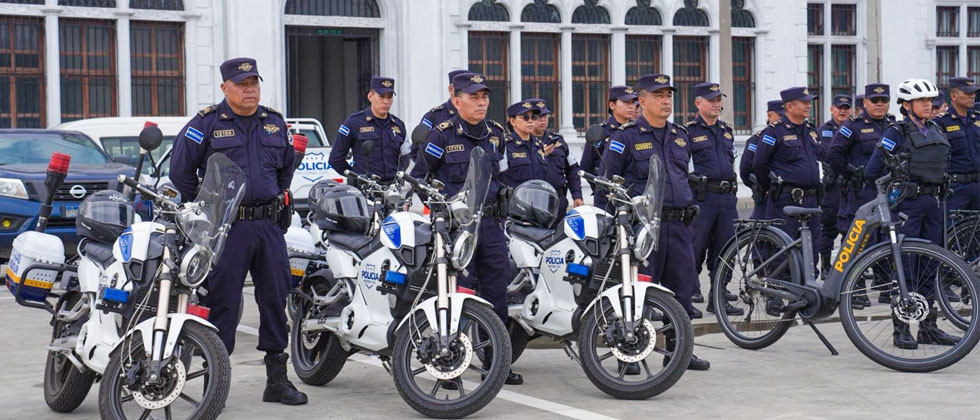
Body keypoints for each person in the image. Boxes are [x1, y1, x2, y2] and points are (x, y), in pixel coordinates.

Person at [169, 57, 307, 405]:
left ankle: (277, 381)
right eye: (242, 84)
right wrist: (207, 208)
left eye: (254, 83)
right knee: (223, 304)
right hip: (225, 230)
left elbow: (286, 170)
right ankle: (213, 382)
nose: (250, 90)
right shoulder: (207, 123)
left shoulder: (274, 123)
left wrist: (272, 198)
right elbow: (181, 173)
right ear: (224, 88)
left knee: (275, 300)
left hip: (268, 227)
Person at [414, 72, 524, 385]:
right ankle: (449, 365)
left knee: (496, 296)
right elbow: (420, 177)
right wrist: (441, 212)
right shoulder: (441, 134)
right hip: (456, 228)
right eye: (473, 97)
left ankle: (495, 363)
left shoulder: (495, 134)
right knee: (455, 294)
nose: (480, 103)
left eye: (484, 97)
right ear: (456, 100)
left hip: (489, 225)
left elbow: (502, 176)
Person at [599, 73, 710, 371]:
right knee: (638, 294)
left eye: (668, 95)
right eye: (658, 95)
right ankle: (629, 354)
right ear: (642, 100)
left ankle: (680, 352)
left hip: (679, 226)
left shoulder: (679, 135)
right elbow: (607, 183)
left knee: (682, 291)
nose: (666, 101)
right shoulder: (626, 136)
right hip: (643, 227)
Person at [865, 78, 961, 349]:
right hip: (908, 205)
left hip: (934, 204)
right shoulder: (896, 132)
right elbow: (873, 171)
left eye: (930, 100)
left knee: (931, 266)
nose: (928, 104)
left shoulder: (935, 128)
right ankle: (902, 330)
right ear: (906, 105)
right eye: (921, 101)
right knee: (906, 268)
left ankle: (929, 327)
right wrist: (897, 178)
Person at [828, 84, 895, 306]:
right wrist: (850, 174)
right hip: (861, 192)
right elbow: (834, 153)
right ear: (865, 103)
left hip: (886, 192)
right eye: (875, 100)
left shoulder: (893, 125)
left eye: (883, 100)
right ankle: (855, 290)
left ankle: (885, 287)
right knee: (860, 242)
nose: (880, 105)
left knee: (886, 239)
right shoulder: (853, 126)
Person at [684, 82, 742, 316]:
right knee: (694, 250)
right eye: (712, 100)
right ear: (698, 103)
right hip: (702, 199)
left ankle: (718, 298)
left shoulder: (726, 130)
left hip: (726, 199)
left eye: (719, 100)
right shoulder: (688, 132)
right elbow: (682, 167)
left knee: (727, 249)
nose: (717, 104)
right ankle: (685, 298)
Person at [752, 86, 822, 270]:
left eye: (809, 103)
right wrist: (773, 188)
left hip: (811, 199)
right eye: (804, 103)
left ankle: (805, 290)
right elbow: (760, 164)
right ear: (789, 107)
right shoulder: (774, 132)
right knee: (782, 247)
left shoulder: (809, 131)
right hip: (786, 199)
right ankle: (776, 289)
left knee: (812, 247)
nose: (808, 106)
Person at [328, 76, 409, 186]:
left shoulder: (398, 125)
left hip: (391, 190)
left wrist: (398, 175)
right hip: (363, 190)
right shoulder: (353, 122)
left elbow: (406, 155)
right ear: (370, 96)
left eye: (389, 97)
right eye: (381, 96)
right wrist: (355, 177)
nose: (386, 101)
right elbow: (335, 159)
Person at [523, 99, 583, 224]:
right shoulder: (521, 143)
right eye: (538, 117)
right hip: (532, 202)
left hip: (558, 201)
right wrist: (540, 156)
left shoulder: (558, 141)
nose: (543, 120)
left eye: (545, 116)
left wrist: (577, 195)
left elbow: (572, 169)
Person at [581, 86, 638, 210]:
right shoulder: (600, 132)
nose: (631, 106)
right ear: (612, 105)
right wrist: (600, 188)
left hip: (634, 197)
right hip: (608, 199)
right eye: (626, 102)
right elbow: (586, 166)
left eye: (633, 102)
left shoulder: (637, 131)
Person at [815, 94, 853, 279]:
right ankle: (825, 265)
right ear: (832, 109)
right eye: (839, 108)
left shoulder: (854, 127)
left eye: (846, 108)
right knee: (828, 228)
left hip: (851, 186)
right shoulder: (826, 130)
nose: (843, 111)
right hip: (832, 187)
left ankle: (846, 267)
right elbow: (828, 153)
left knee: (850, 229)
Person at [933, 77, 980, 216]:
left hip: (977, 184)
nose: (972, 96)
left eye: (973, 92)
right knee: (951, 230)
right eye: (967, 93)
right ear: (953, 95)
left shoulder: (977, 119)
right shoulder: (941, 122)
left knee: (976, 231)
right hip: (956, 186)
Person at [740, 100, 783, 220]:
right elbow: (745, 170)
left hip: (784, 196)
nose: (782, 119)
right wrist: (762, 185)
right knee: (762, 230)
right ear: (770, 116)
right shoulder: (757, 139)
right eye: (780, 116)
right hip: (765, 195)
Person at [414, 69, 470, 160]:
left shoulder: (475, 116)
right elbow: (417, 150)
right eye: (462, 88)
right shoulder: (434, 117)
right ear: (451, 89)